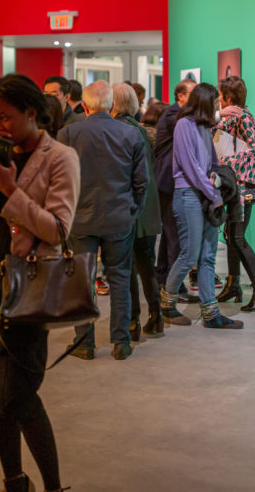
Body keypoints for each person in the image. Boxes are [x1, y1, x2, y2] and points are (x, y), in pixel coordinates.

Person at [0, 74, 78, 492]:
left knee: (21, 394)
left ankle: (52, 485)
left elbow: (58, 230)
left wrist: (10, 190)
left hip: (28, 285)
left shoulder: (60, 157)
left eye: (6, 118)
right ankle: (14, 480)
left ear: (33, 113)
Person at [57, 80, 146, 360]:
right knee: (120, 280)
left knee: (82, 283)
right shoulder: (131, 135)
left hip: (80, 220)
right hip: (119, 218)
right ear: (111, 105)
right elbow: (141, 182)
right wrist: (133, 211)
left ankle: (84, 343)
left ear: (84, 105)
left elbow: (60, 182)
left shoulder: (67, 133)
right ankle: (121, 342)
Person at [162, 82, 243, 330]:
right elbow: (191, 168)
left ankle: (211, 313)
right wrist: (214, 193)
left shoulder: (203, 127)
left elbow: (211, 163)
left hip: (205, 195)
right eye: (215, 102)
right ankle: (166, 304)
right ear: (205, 104)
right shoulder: (184, 126)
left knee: (207, 256)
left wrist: (217, 181)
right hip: (188, 195)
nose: (218, 105)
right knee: (188, 256)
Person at [214, 76, 255, 312]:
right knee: (230, 235)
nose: (219, 99)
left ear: (229, 97)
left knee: (236, 237)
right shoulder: (232, 116)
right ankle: (233, 284)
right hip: (235, 186)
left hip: (244, 187)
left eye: (221, 95)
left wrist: (227, 159)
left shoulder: (244, 117)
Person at [111, 83, 163, 340]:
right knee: (146, 264)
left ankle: (132, 322)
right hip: (148, 207)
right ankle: (156, 315)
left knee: (128, 267)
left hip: (131, 207)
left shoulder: (120, 132)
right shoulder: (142, 131)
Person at [154, 78, 196, 291]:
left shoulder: (175, 114)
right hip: (167, 181)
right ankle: (174, 288)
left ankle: (162, 276)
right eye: (192, 94)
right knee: (174, 235)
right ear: (180, 96)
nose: (196, 99)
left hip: (167, 181)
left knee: (170, 233)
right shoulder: (173, 115)